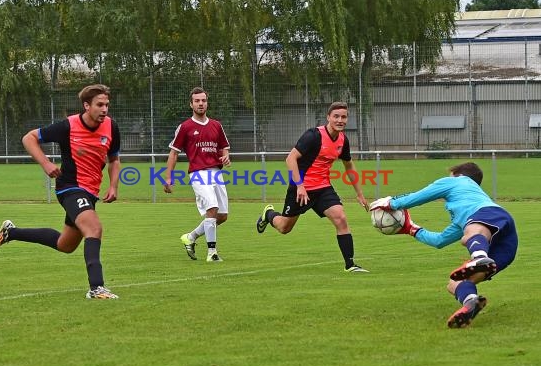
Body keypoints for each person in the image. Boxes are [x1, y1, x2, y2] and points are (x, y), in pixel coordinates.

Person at [0, 84, 121, 300]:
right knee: (94, 228)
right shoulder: (68, 126)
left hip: (90, 192)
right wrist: (46, 164)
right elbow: (28, 138)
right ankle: (97, 288)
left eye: (107, 104)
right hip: (70, 188)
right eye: (99, 105)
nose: (104, 109)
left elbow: (114, 160)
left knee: (65, 245)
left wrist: (114, 185)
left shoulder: (111, 127)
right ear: (86, 106)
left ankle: (10, 232)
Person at [369, 162, 518, 328]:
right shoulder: (461, 219)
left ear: (457, 174)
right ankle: (471, 303)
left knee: (469, 234)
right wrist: (412, 229)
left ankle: (480, 258)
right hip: (507, 246)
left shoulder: (459, 182)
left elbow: (421, 196)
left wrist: (392, 203)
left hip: (491, 215)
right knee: (454, 282)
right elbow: (439, 240)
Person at [256, 101, 370, 273]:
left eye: (344, 117)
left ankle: (350, 265)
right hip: (301, 189)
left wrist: (360, 194)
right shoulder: (313, 135)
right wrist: (300, 186)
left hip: (323, 188)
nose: (340, 120)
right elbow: (290, 159)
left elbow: (349, 165)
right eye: (336, 116)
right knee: (284, 227)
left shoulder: (343, 140)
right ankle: (269, 214)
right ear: (328, 118)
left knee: (341, 218)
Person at [163, 87, 231, 262]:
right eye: (197, 101)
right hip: (198, 173)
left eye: (203, 100)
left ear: (207, 102)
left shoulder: (216, 125)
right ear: (191, 104)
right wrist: (168, 177)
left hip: (216, 173)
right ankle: (212, 253)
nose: (201, 104)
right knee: (212, 208)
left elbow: (224, 148)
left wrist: (225, 157)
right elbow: (174, 153)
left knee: (221, 216)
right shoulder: (185, 127)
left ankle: (191, 237)